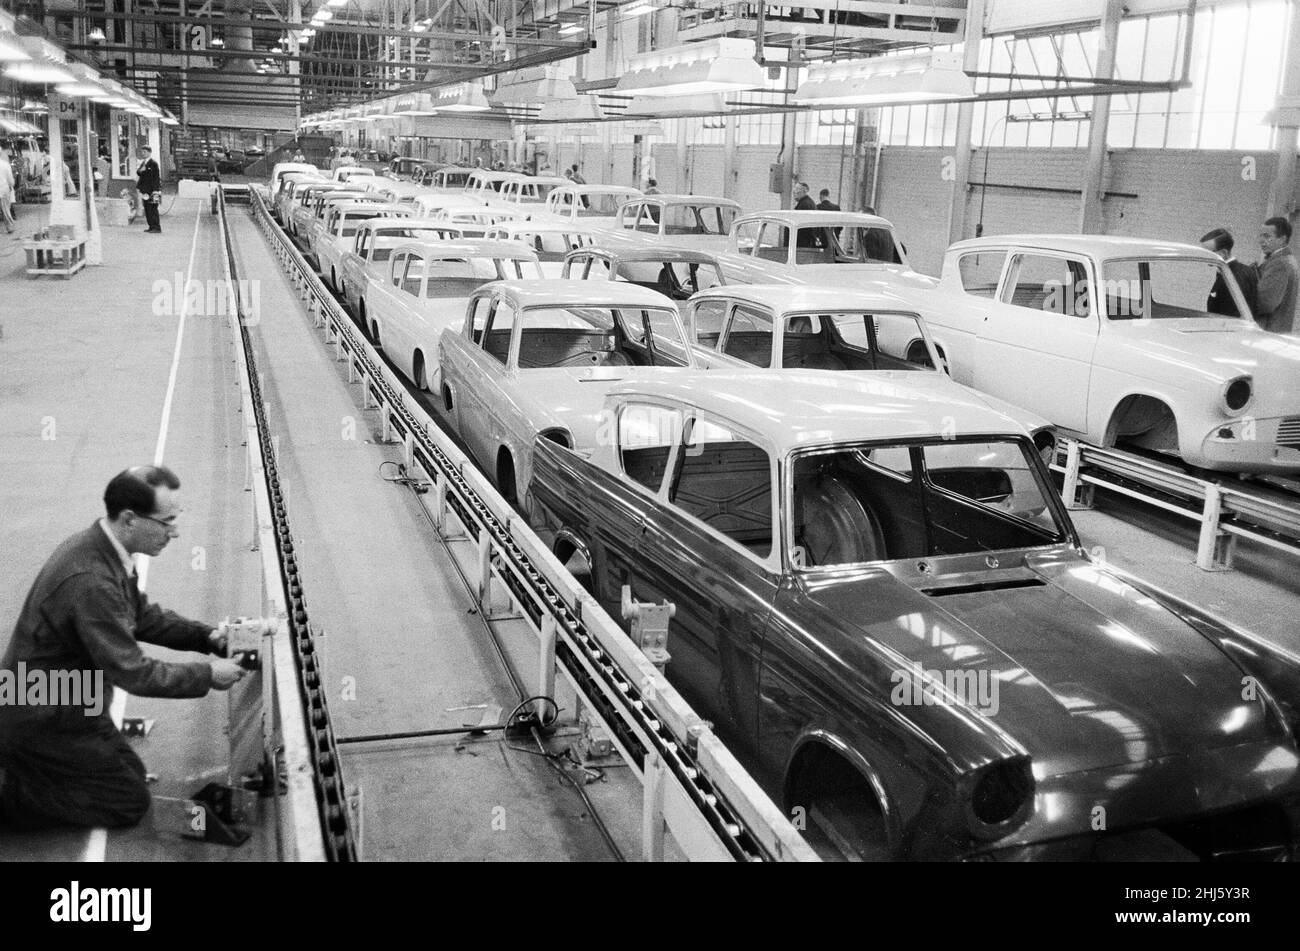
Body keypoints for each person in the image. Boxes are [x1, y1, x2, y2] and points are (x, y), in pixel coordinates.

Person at [0, 466, 247, 830]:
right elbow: (132, 672)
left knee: (128, 771)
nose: (174, 532)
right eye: (166, 522)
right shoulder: (91, 581)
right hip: (44, 715)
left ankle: (26, 763)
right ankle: (9, 793)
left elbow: (141, 616)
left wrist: (206, 637)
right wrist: (207, 675)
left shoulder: (103, 549)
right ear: (130, 519)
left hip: (63, 700)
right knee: (125, 801)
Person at [1199, 228, 1258, 317]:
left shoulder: (1232, 278)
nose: (1203, 256)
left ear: (1223, 253)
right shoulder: (1245, 270)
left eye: (1207, 252)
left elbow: (1230, 316)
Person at [1256, 216, 1299, 334]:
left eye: (1267, 236)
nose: (1261, 240)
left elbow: (1266, 303)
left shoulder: (1279, 263)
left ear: (1282, 239)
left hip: (1268, 332)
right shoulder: (1286, 259)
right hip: (1275, 331)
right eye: (1261, 235)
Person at [136, 146, 162, 234]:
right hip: (145, 190)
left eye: (145, 152)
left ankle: (156, 227)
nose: (143, 154)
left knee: (153, 208)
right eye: (142, 152)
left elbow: (156, 177)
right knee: (147, 208)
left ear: (149, 153)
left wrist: (156, 189)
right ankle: (151, 226)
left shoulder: (153, 163)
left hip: (152, 189)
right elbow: (138, 172)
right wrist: (141, 170)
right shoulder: (143, 163)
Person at [0, 145, 15, 234]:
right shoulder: (5, 165)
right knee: (5, 209)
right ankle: (9, 227)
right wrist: (11, 185)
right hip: (3, 189)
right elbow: (10, 179)